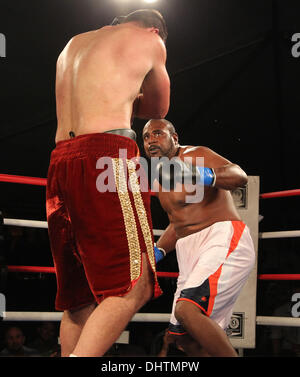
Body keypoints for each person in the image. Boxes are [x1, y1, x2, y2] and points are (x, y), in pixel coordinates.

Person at [46, 9, 170, 357]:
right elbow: (160, 107)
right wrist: (133, 95)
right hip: (107, 155)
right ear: (154, 28)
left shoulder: (74, 44)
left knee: (79, 298)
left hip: (61, 159)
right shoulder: (151, 39)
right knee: (137, 285)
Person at [143, 119, 256, 357]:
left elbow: (239, 176)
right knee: (181, 338)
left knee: (187, 311)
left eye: (157, 133)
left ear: (174, 138)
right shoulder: (158, 178)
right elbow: (178, 222)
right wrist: (157, 252)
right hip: (188, 251)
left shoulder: (195, 155)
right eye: (145, 137)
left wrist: (201, 174)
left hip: (221, 237)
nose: (151, 140)